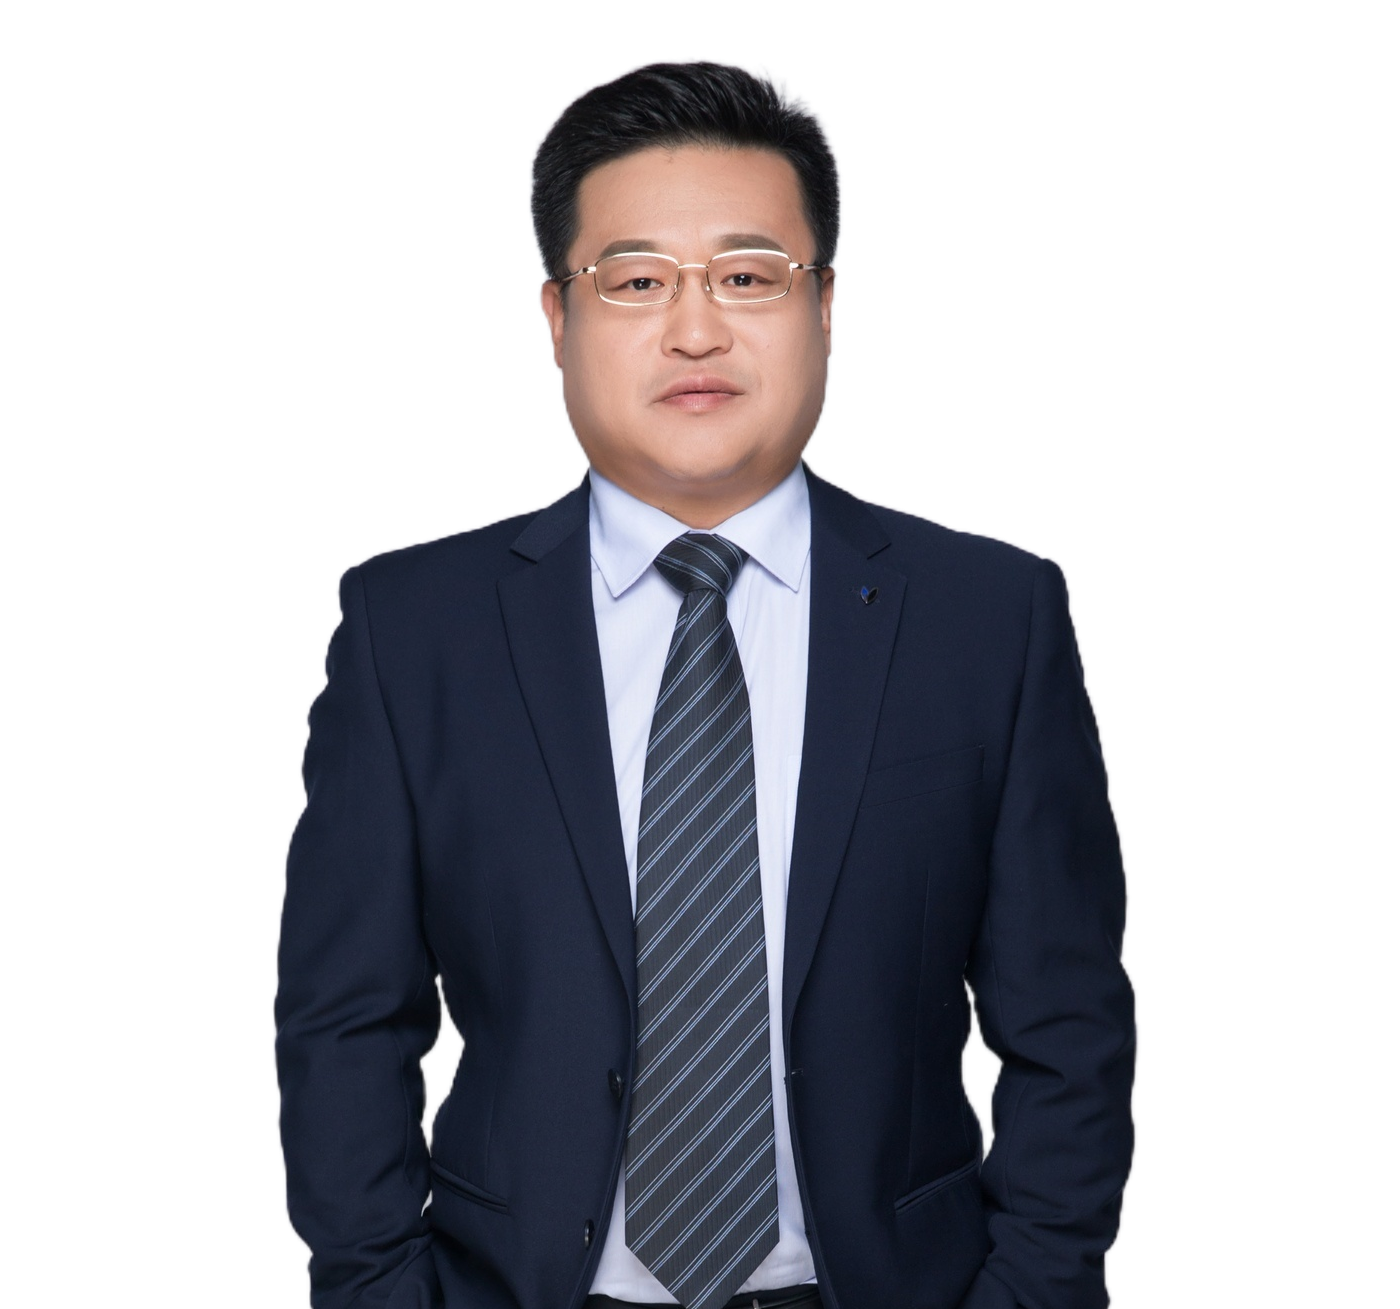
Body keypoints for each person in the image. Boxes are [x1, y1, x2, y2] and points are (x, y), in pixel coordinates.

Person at [275, 58, 1135, 1309]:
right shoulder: (413, 628)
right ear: (555, 316)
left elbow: (1067, 1026)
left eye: (747, 276)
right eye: (635, 281)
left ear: (824, 302)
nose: (694, 330)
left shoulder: (987, 617)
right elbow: (344, 1023)